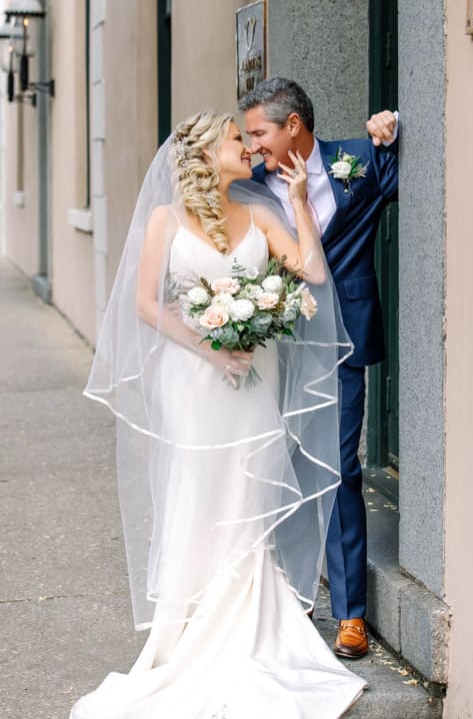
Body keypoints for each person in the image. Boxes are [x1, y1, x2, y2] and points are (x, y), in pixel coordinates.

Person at [75, 111, 364, 717]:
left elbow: (310, 271)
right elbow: (146, 303)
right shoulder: (165, 220)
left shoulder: (262, 212)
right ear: (206, 153)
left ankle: (244, 625)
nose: (247, 148)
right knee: (199, 492)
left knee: (245, 494)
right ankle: (187, 627)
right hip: (194, 382)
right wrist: (211, 345)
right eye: (237, 139)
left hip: (253, 382)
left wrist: (297, 204)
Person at [238, 78, 400, 659]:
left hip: (343, 344)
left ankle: (351, 614)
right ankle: (286, 596)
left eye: (259, 132)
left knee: (340, 468)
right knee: (277, 468)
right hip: (277, 346)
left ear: (294, 128)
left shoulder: (356, 161)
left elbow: (421, 176)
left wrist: (392, 126)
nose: (253, 144)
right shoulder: (247, 189)